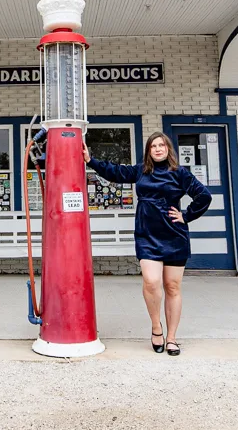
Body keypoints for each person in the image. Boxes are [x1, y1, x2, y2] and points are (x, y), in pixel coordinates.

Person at [86, 132, 211, 356]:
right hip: (147, 235)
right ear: (148, 151)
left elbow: (204, 195)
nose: (158, 149)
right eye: (153, 146)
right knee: (152, 282)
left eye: (161, 145)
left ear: (168, 148)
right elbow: (115, 172)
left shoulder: (180, 173)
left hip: (174, 235)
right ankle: (156, 328)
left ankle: (172, 337)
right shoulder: (141, 171)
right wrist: (91, 161)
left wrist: (186, 216)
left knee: (172, 287)